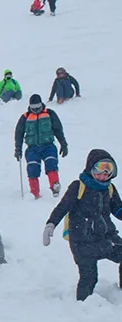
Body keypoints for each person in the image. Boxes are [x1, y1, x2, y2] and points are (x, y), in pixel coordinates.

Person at [43, 150, 122, 300]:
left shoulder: (109, 188)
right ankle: (83, 307)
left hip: (106, 237)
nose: (104, 174)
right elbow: (62, 207)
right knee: (89, 278)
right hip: (82, 241)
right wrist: (50, 224)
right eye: (100, 169)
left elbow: (118, 209)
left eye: (109, 170)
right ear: (91, 168)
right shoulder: (78, 187)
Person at [15, 94, 68, 199]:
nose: (36, 109)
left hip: (48, 146)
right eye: (33, 107)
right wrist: (18, 149)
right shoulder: (25, 117)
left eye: (38, 107)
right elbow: (19, 134)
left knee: (51, 164)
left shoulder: (50, 114)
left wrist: (63, 144)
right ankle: (35, 193)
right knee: (32, 169)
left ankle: (55, 186)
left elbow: (58, 129)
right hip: (32, 148)